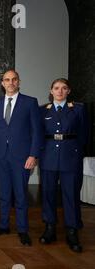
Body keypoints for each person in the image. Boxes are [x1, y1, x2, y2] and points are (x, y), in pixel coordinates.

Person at [0, 69, 42, 246]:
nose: (10, 83)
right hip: (0, 156)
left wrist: (33, 155)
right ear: (2, 83)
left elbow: (37, 132)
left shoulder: (30, 103)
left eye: (14, 79)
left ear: (18, 82)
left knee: (20, 194)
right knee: (3, 194)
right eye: (7, 80)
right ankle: (3, 225)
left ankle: (23, 229)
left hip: (21, 157)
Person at [39, 78, 89, 252]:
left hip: (70, 156)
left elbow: (84, 135)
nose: (60, 91)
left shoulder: (78, 110)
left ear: (69, 91)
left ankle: (72, 230)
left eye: (64, 88)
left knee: (71, 194)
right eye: (56, 88)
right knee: (48, 193)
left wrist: (76, 152)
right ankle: (50, 227)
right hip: (49, 156)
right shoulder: (42, 110)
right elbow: (39, 135)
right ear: (51, 91)